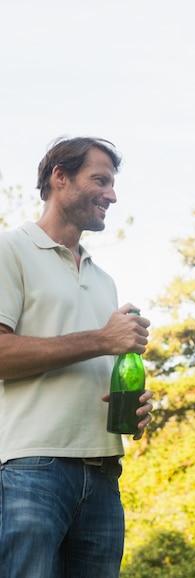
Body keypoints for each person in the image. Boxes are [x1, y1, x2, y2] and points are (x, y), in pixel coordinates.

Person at [0, 137, 154, 578]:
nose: (112, 194)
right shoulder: (10, 250)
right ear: (60, 177)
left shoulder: (104, 280)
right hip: (33, 466)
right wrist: (102, 340)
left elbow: (100, 362)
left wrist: (135, 403)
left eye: (112, 184)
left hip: (105, 471)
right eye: (100, 180)